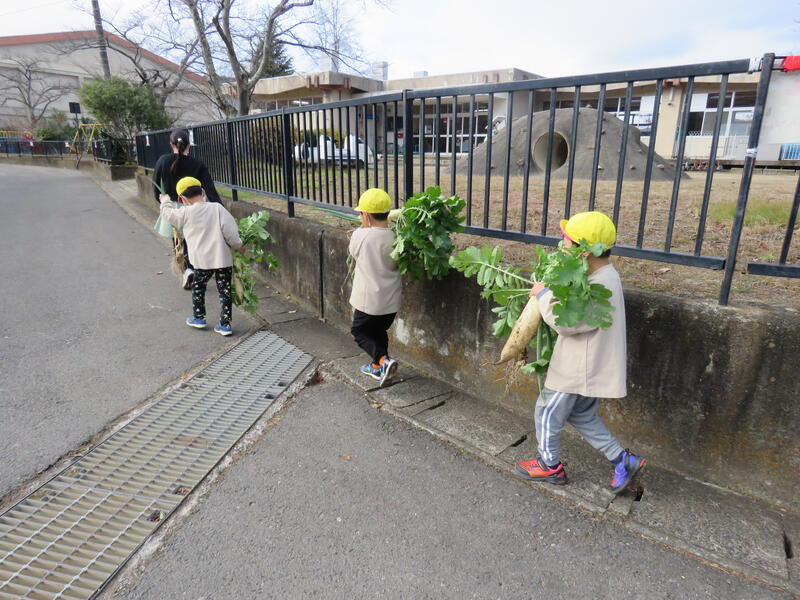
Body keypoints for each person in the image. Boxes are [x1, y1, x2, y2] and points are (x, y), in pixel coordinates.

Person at [515, 211, 646, 494]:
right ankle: (622, 459)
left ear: (584, 251)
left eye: (566, 241)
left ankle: (549, 465)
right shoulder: (603, 274)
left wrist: (543, 295)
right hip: (590, 364)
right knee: (582, 415)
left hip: (578, 368)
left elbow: (568, 323)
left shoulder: (599, 285)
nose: (561, 246)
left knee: (546, 411)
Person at [159, 176, 242, 337]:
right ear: (203, 192)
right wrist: (238, 246)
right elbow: (230, 231)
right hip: (222, 259)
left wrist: (165, 201)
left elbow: (168, 214)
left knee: (198, 286)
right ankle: (225, 325)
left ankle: (199, 317)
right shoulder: (217, 208)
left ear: (182, 199)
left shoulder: (184, 213)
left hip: (202, 262)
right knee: (225, 291)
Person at [152, 128, 223, 290]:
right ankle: (193, 268)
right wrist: (220, 212)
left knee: (177, 242)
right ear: (188, 145)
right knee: (193, 241)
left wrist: (164, 203)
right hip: (194, 208)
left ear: (171, 144)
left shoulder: (163, 161)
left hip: (173, 209)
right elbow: (210, 191)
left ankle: (186, 271)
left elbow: (156, 188)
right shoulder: (197, 164)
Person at [349, 188, 402, 388]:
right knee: (379, 331)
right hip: (391, 301)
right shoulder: (397, 237)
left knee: (360, 332)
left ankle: (383, 360)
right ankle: (377, 366)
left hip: (369, 302)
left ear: (366, 215)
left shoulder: (361, 236)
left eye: (361, 213)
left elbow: (353, 253)